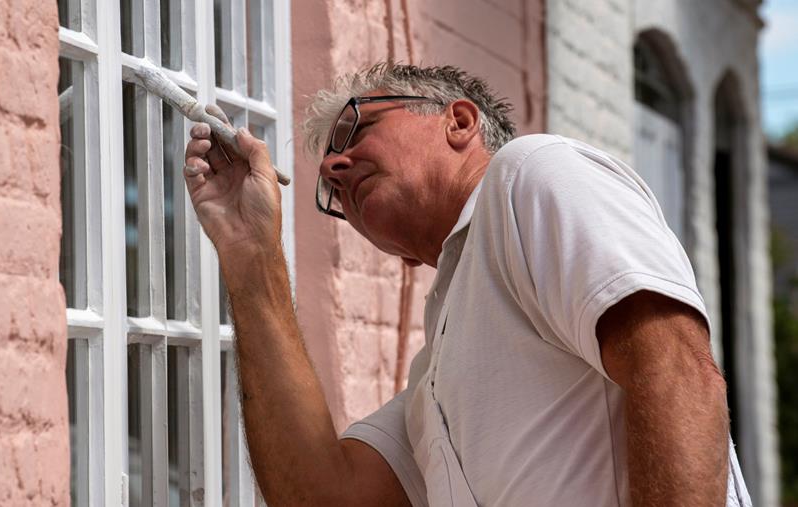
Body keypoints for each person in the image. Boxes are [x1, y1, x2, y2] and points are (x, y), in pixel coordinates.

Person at [182, 63, 752, 506]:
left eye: (356, 126)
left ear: (458, 121)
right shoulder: (435, 380)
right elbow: (322, 495)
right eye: (329, 191)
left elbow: (676, 371)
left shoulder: (529, 172)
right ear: (402, 259)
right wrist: (252, 254)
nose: (334, 168)